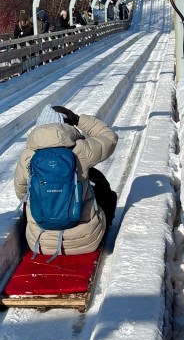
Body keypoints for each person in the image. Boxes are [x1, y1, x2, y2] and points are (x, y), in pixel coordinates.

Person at [14, 104, 118, 257]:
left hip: (40, 242)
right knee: (99, 183)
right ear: (64, 126)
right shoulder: (81, 150)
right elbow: (110, 138)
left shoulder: (28, 156)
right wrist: (77, 119)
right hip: (87, 240)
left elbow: (21, 193)